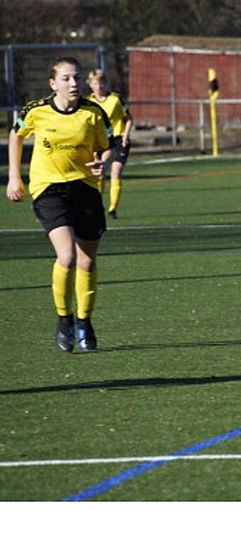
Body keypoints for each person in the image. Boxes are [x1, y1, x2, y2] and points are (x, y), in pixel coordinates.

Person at [6, 57, 112, 352]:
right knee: (67, 256)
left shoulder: (93, 113)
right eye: (66, 79)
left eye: (76, 78)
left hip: (85, 188)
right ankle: (64, 319)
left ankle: (84, 320)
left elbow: (105, 147)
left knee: (87, 261)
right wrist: (14, 177)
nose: (74, 84)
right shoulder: (36, 111)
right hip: (49, 188)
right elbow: (16, 134)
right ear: (53, 84)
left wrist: (100, 162)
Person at [87, 69, 134, 219]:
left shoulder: (116, 99)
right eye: (95, 83)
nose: (99, 86)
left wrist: (126, 135)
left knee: (116, 171)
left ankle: (113, 208)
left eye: (101, 82)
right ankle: (96, 205)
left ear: (105, 84)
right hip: (101, 142)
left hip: (118, 139)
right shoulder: (89, 102)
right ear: (90, 85)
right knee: (100, 174)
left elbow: (128, 118)